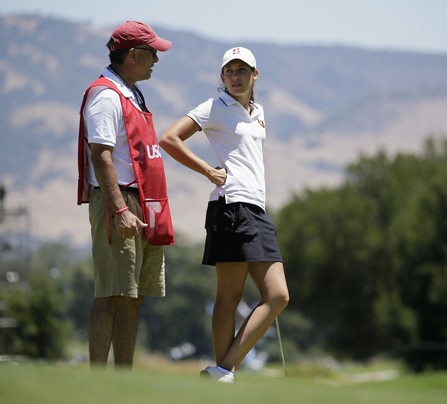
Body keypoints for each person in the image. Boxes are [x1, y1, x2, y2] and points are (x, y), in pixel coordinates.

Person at [160, 46, 289, 383]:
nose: (235, 76)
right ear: (222, 77)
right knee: (228, 298)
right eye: (229, 71)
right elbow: (170, 139)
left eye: (242, 70)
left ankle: (221, 371)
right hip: (230, 207)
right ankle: (224, 374)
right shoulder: (215, 107)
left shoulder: (259, 112)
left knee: (278, 295)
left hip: (256, 209)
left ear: (255, 75)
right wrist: (206, 169)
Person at [76, 21, 175, 369]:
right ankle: (99, 380)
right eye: (152, 54)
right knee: (112, 294)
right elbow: (100, 154)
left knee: (133, 298)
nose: (156, 61)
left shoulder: (131, 91)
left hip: (142, 203)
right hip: (120, 203)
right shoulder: (105, 95)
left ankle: (123, 379)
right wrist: (120, 209)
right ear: (133, 55)